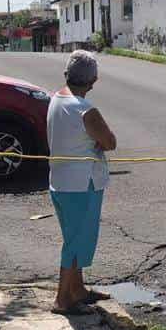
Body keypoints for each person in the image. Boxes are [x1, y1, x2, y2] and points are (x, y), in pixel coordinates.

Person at [47, 51, 117, 315]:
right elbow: (110, 142)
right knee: (77, 242)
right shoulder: (86, 110)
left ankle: (77, 289)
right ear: (93, 80)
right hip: (81, 185)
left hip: (61, 181)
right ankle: (63, 298)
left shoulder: (56, 99)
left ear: (67, 74)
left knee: (73, 238)